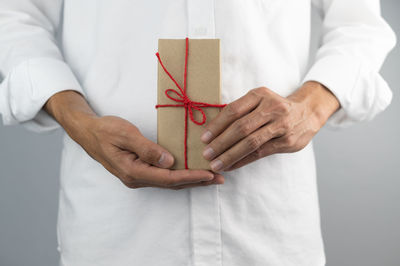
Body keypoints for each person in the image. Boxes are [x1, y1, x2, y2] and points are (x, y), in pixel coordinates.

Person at [0, 1, 396, 266]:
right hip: (115, 225)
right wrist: (78, 120)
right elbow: (15, 15)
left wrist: (313, 103)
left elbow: (359, 26)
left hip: (270, 222)